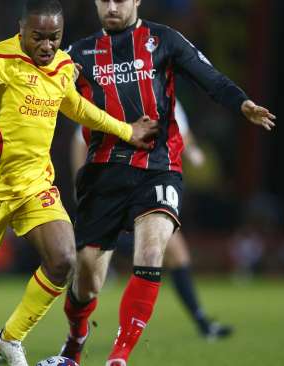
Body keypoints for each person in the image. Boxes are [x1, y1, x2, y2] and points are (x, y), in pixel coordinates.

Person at [0, 1, 158, 365]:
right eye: (39, 37)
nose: (47, 46)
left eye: (55, 38)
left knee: (64, 259)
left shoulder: (63, 66)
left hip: (35, 184)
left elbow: (79, 108)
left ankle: (9, 338)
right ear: (21, 30)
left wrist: (127, 130)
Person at [60, 1, 276, 365]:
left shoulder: (163, 40)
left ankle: (119, 356)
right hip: (103, 172)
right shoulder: (77, 54)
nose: (112, 6)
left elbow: (210, 78)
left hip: (158, 167)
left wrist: (242, 104)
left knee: (152, 250)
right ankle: (76, 337)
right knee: (87, 280)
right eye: (105, 0)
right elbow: (35, 90)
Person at [68, 99, 232, 347]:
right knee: (91, 272)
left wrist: (194, 151)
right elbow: (80, 141)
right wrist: (81, 182)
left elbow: (182, 134)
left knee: (176, 252)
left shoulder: (169, 98)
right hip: (110, 187)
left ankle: (202, 322)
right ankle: (75, 335)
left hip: (148, 185)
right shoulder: (112, 90)